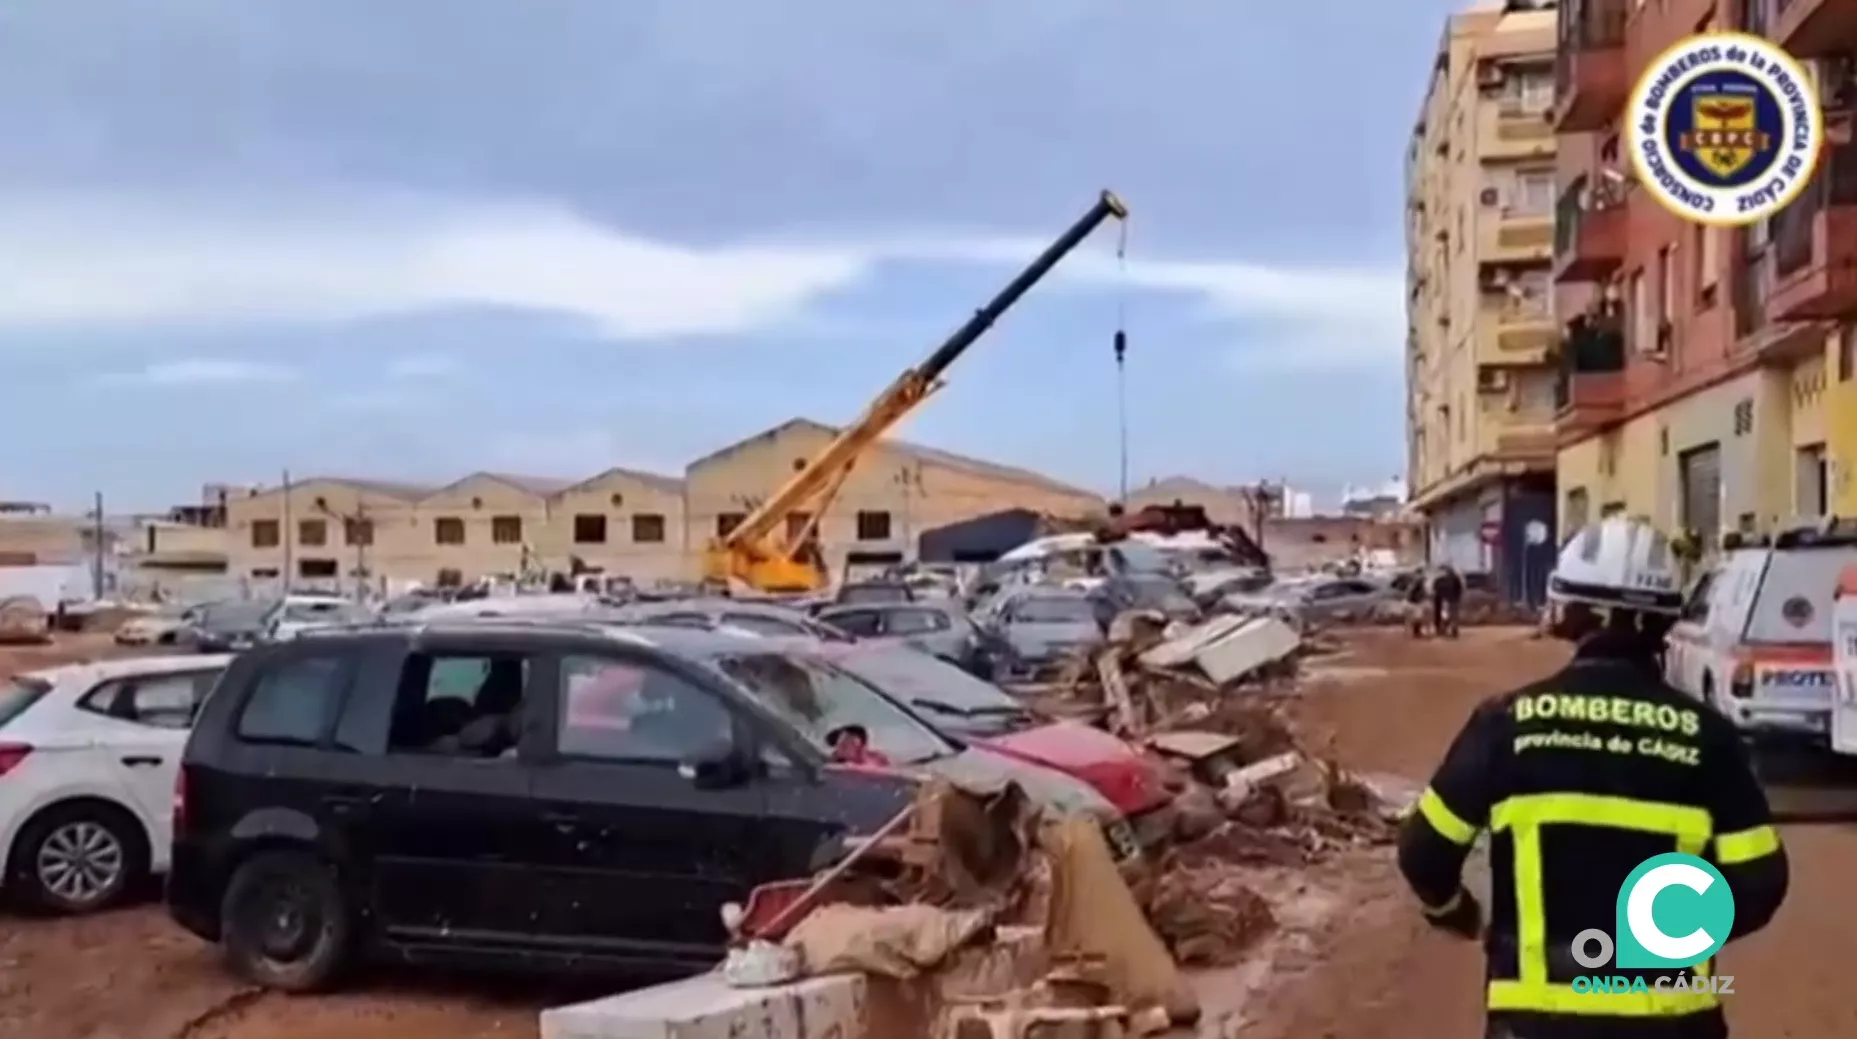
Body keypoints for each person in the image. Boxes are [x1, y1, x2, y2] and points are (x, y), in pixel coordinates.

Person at [1396, 516, 1788, 1039]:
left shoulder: (1506, 724)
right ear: (1666, 620)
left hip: (1537, 1023)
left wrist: (1459, 914)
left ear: (1567, 612)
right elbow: (1760, 881)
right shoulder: (1708, 738)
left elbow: (1424, 851)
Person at [1432, 563, 1464, 638]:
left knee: (1448, 615)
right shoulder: (1442, 579)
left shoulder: (1440, 580)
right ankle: (1449, 630)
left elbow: (1435, 589)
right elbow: (1459, 589)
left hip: (1447, 600)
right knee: (1450, 616)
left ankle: (1447, 630)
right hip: (1448, 600)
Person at [1405, 570, 1431, 637]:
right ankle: (1416, 632)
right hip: (1415, 602)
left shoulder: (1416, 583)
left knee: (1418, 617)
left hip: (1416, 602)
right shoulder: (1417, 583)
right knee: (1418, 617)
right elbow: (1413, 592)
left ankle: (1417, 631)